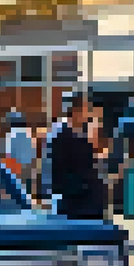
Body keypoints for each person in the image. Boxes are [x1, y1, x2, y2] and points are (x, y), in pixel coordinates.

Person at [42, 90, 107, 221]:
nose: (88, 114)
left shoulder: (83, 135)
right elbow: (60, 171)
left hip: (87, 200)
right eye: (86, 109)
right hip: (75, 202)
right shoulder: (61, 137)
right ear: (76, 111)